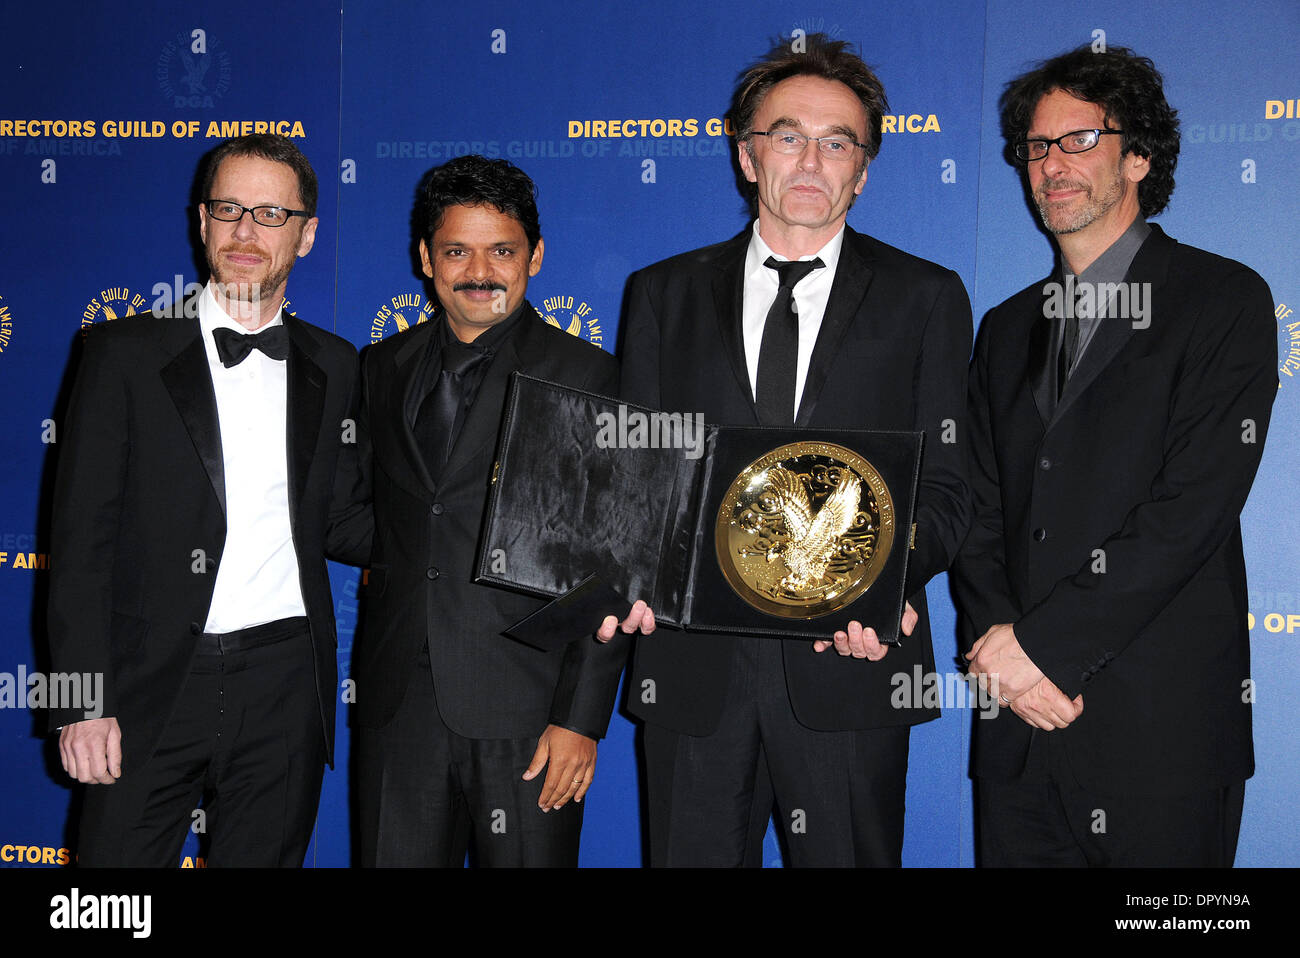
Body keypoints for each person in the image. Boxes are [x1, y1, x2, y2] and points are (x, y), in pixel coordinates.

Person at [603, 35, 972, 866]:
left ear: (864, 169)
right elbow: (636, 483)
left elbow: (950, 488)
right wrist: (620, 570)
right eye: (787, 135)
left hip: (852, 668)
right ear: (746, 154)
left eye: (839, 141)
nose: (812, 158)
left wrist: (890, 582)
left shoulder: (926, 298)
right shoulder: (661, 294)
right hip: (692, 671)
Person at [954, 45, 1276, 866]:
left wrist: (1042, 651)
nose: (1051, 165)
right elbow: (981, 507)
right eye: (1036, 146)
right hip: (1018, 733)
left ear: (1139, 156)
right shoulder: (1003, 328)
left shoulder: (1223, 299)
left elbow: (1193, 507)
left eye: (1080, 141)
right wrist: (1002, 645)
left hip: (1159, 738)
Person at [49, 133, 371, 866]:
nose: (247, 233)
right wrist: (78, 702)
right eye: (229, 209)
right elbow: (77, 549)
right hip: (147, 681)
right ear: (201, 222)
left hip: (285, 682)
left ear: (307, 233)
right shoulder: (121, 355)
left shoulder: (336, 364)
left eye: (269, 213)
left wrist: (483, 524)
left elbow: (349, 520)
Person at [354, 155, 624, 867]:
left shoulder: (590, 377)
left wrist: (579, 718)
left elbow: (615, 564)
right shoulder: (381, 368)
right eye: (456, 251)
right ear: (425, 258)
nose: (479, 271)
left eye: (501, 250)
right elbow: (361, 512)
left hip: (528, 712)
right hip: (397, 706)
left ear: (535, 255)